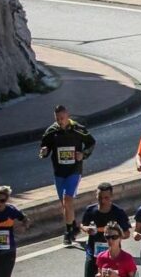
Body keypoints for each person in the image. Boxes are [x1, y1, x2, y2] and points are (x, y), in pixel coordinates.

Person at [39, 104, 96, 244]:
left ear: (67, 116)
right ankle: (73, 227)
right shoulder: (51, 131)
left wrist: (83, 154)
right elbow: (44, 147)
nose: (60, 121)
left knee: (67, 200)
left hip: (74, 170)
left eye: (62, 118)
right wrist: (44, 152)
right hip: (59, 172)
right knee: (64, 204)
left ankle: (68, 232)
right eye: (57, 119)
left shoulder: (78, 129)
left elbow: (91, 142)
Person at [81, 182, 132, 277]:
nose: (102, 201)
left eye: (106, 198)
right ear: (96, 195)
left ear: (111, 196)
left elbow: (127, 233)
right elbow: (83, 225)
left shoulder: (118, 212)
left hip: (113, 256)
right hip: (93, 254)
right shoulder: (90, 210)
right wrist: (86, 229)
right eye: (100, 197)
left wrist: (114, 235)